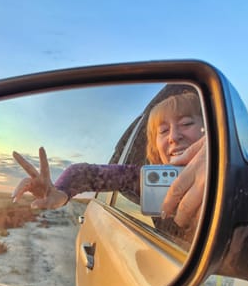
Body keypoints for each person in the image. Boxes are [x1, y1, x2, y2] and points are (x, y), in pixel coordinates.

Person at [11, 88, 206, 241]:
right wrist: (60, 190)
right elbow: (88, 174)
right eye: (163, 131)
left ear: (209, 132)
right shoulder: (144, 179)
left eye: (187, 123)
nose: (173, 136)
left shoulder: (230, 172)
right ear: (155, 147)